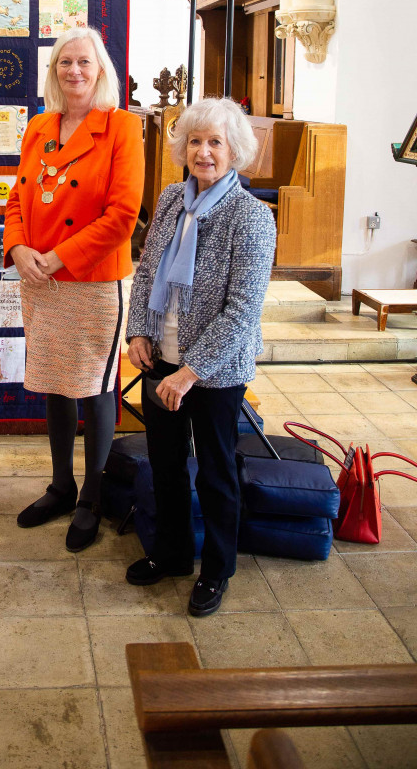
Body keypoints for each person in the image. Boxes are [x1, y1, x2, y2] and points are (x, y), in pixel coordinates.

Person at [124, 96, 276, 616]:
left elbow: (242, 312)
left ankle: (216, 569)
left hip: (214, 371)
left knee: (214, 472)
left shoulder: (252, 219)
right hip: (160, 356)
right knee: (164, 463)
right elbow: (146, 270)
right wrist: (139, 333)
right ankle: (170, 554)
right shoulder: (170, 199)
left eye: (215, 142)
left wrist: (190, 371)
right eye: (195, 140)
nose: (203, 152)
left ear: (235, 150)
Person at [4, 27, 144, 552]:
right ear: (54, 71)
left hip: (89, 279)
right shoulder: (39, 126)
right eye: (65, 63)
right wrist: (19, 250)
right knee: (53, 380)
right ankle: (61, 486)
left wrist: (58, 256)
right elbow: (17, 197)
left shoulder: (122, 128)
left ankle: (92, 496)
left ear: (101, 70)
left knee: (94, 385)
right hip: (38, 279)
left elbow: (123, 215)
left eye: (84, 62)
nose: (75, 72)